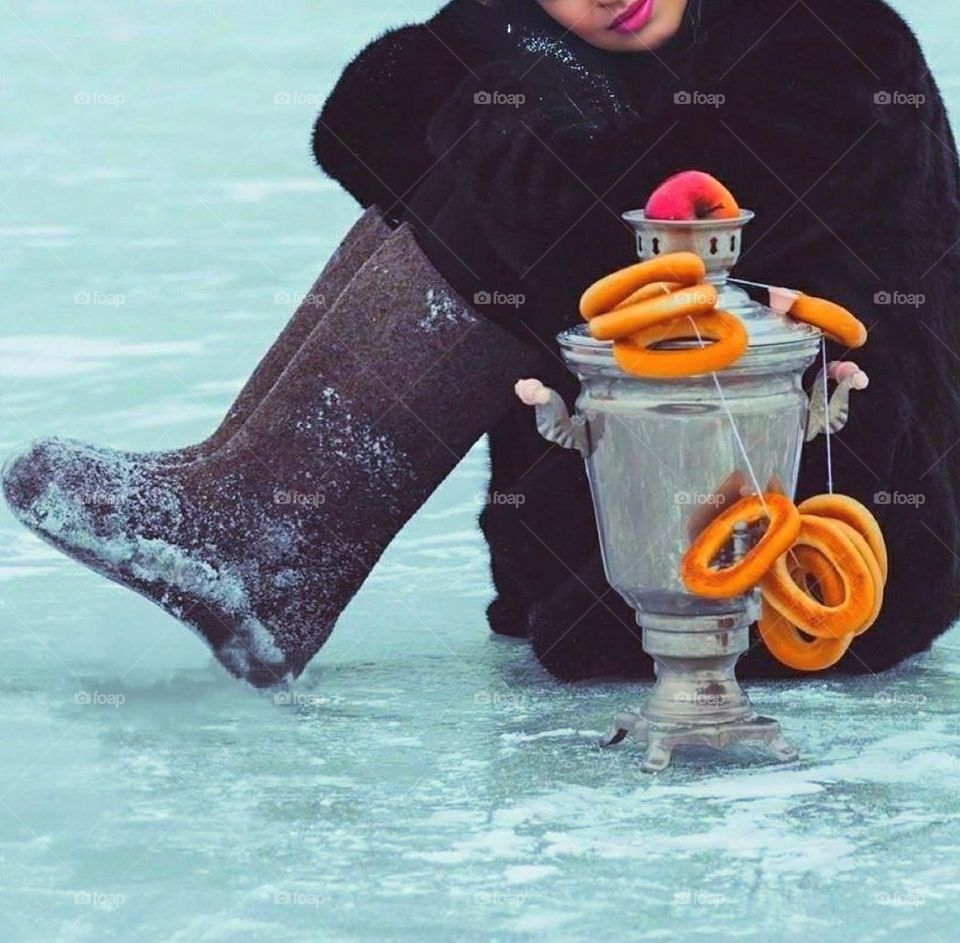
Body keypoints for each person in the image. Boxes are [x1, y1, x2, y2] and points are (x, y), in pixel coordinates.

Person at [5, 0, 959, 688]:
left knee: (510, 184)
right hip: (621, 553)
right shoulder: (592, 57)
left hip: (820, 558)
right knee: (492, 168)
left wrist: (478, 105)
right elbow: (359, 129)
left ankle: (272, 537)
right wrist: (492, 76)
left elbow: (608, 238)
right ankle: (253, 497)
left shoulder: (829, 41)